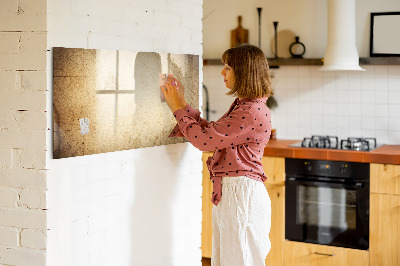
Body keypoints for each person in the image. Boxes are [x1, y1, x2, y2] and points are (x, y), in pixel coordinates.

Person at [161, 44, 273, 266]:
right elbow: (212, 133)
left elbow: (204, 141)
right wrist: (182, 103)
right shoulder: (246, 106)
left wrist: (176, 108)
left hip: (241, 195)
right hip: (236, 193)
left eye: (228, 67)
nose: (222, 72)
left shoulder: (250, 111)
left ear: (244, 72)